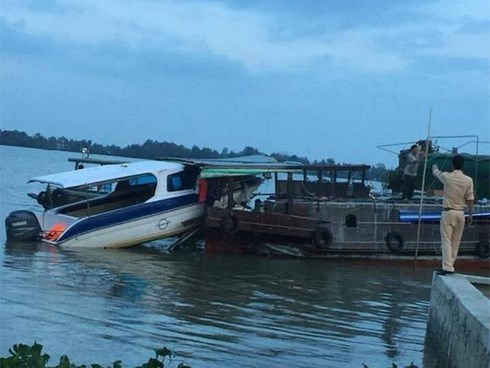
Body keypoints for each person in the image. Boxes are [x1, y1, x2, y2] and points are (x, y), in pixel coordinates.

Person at [432, 154, 474, 275]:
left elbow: (436, 172)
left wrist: (434, 166)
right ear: (463, 165)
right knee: (456, 241)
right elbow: (470, 199)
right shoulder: (468, 180)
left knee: (446, 240)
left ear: (452, 164)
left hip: (448, 212)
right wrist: (470, 215)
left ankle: (447, 267)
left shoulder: (447, 176)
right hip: (461, 213)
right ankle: (451, 264)